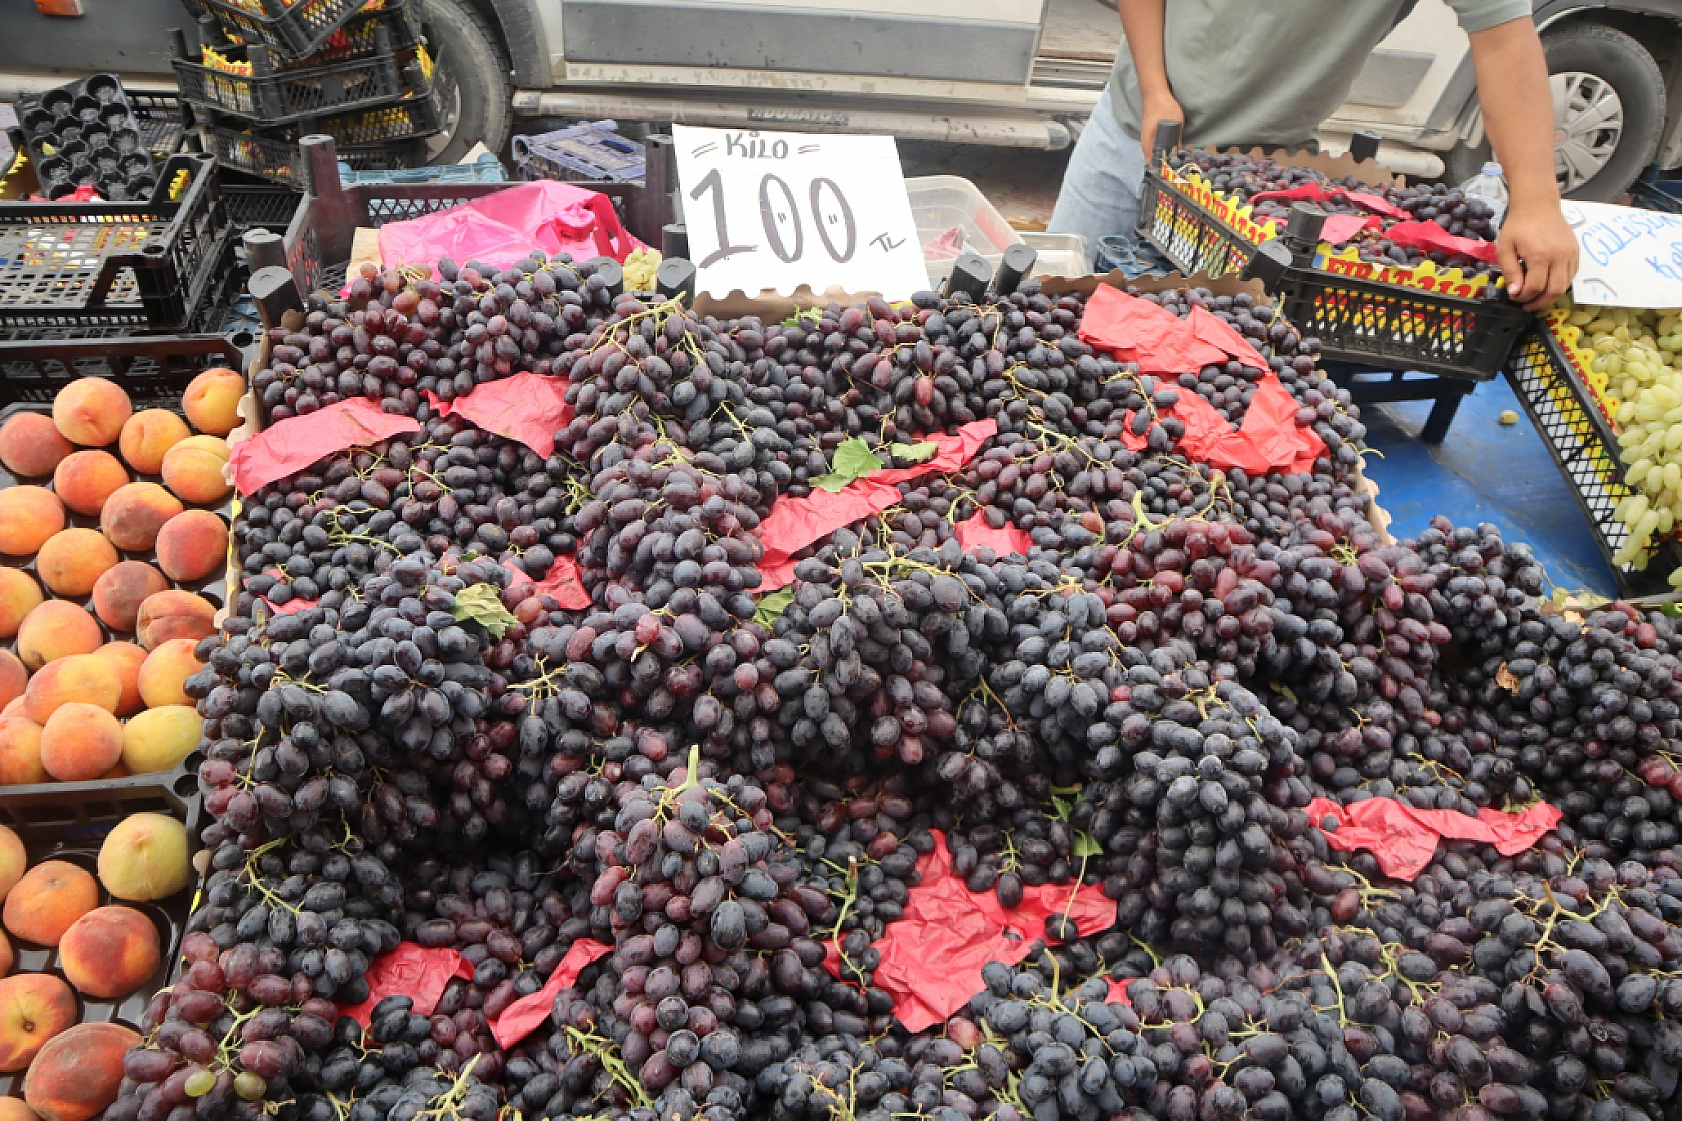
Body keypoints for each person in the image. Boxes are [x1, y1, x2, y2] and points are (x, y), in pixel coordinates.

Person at [1048, 0, 1579, 311]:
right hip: (1129, 131)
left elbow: (1505, 42)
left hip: (1256, 191)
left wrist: (1536, 202)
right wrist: (1153, 90)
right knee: (1046, 311)